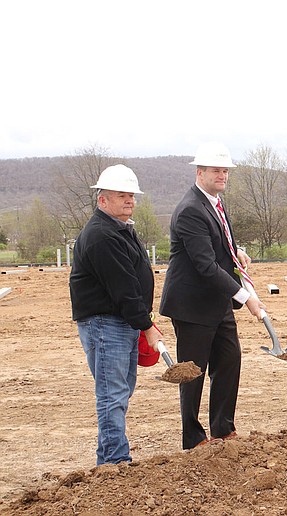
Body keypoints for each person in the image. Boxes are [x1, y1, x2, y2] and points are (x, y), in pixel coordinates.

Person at [159, 142, 266, 449]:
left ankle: (223, 427)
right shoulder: (191, 209)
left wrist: (236, 252)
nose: (222, 175)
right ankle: (193, 439)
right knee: (192, 373)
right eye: (216, 170)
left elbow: (217, 244)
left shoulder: (215, 203)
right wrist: (246, 297)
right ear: (200, 172)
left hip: (217, 302)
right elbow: (204, 264)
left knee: (230, 360)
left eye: (225, 171)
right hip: (192, 306)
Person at [69, 164, 163, 465]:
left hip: (120, 322)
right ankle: (114, 462)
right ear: (102, 200)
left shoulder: (121, 229)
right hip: (105, 323)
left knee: (120, 390)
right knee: (113, 393)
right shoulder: (102, 236)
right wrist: (146, 325)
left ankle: (109, 459)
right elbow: (123, 287)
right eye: (122, 195)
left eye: (132, 196)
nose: (129, 201)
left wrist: (140, 322)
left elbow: (131, 282)